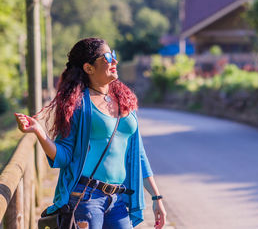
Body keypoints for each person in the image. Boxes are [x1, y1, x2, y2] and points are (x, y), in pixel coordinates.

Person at [15, 38, 167, 229]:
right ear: (89, 68)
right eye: (107, 57)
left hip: (118, 199)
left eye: (114, 55)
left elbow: (139, 156)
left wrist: (156, 197)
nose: (114, 61)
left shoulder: (124, 100)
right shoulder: (78, 105)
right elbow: (63, 156)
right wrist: (39, 131)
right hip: (85, 198)